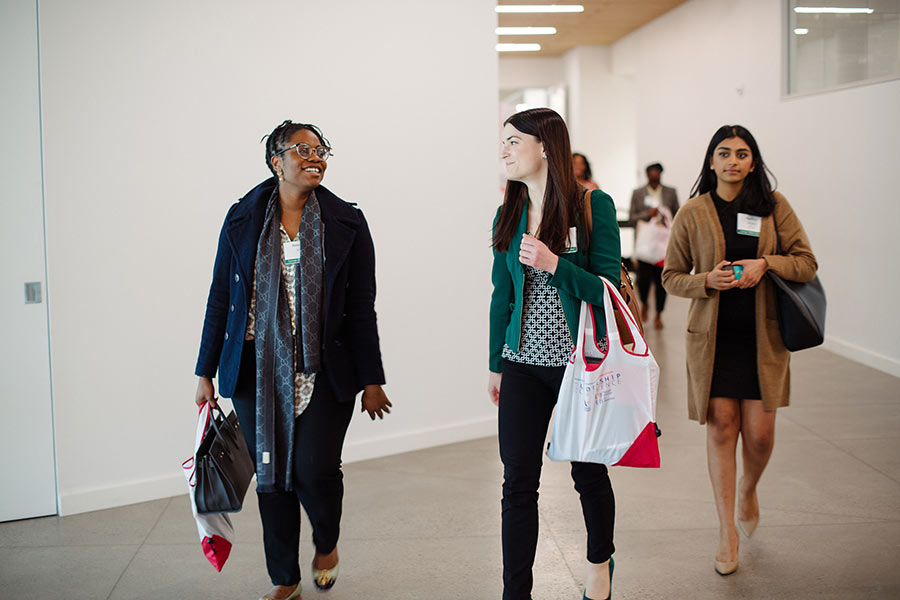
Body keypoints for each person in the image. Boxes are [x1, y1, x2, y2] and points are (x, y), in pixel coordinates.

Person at [194, 120, 392, 600]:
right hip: (254, 370)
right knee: (271, 477)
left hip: (325, 369)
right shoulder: (241, 219)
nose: (315, 157)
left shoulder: (347, 222)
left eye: (321, 150)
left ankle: (326, 543)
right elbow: (221, 296)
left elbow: (361, 306)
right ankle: (285, 578)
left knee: (314, 471)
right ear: (275, 160)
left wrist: (372, 378)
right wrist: (204, 370)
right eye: (302, 150)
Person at [661, 125, 817, 576]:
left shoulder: (773, 207)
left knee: (761, 435)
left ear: (753, 161)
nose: (733, 161)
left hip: (763, 339)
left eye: (742, 153)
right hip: (713, 342)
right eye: (724, 153)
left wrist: (765, 263)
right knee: (721, 428)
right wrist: (705, 280)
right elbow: (672, 276)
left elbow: (806, 261)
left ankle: (749, 490)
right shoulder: (692, 211)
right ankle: (726, 529)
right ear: (711, 161)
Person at [489, 108, 621, 600]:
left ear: (544, 145)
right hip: (521, 363)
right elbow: (501, 292)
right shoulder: (508, 211)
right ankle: (514, 594)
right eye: (502, 142)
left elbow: (607, 289)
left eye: (512, 141)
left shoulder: (592, 205)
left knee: (588, 474)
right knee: (517, 483)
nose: (504, 151)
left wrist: (554, 264)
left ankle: (599, 561)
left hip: (578, 365)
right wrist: (494, 363)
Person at [630, 162, 679, 329]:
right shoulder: (638, 193)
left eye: (657, 171)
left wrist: (666, 218)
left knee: (661, 281)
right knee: (642, 280)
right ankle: (644, 304)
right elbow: (632, 217)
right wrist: (647, 214)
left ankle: (659, 313)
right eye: (651, 171)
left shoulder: (670, 192)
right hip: (645, 245)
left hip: (662, 245)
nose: (654, 174)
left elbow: (677, 214)